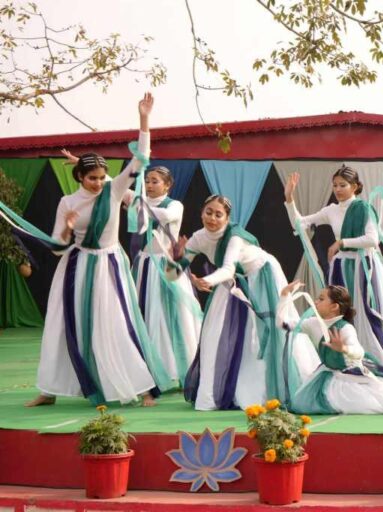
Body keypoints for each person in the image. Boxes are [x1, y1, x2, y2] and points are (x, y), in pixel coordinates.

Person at [20, 93, 172, 407]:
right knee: (64, 324)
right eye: (92, 178)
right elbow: (57, 247)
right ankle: (50, 390)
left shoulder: (113, 190)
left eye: (102, 177)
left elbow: (141, 160)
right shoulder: (68, 202)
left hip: (109, 266)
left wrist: (144, 119)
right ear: (79, 176)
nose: (99, 182)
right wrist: (66, 228)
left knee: (118, 322)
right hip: (75, 267)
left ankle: (144, 388)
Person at [171, 195, 316, 410]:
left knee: (268, 330)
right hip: (231, 280)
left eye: (218, 215)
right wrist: (175, 258)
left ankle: (275, 387)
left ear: (227, 218)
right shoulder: (198, 238)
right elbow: (171, 275)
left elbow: (228, 268)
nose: (212, 218)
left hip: (261, 275)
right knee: (214, 333)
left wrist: (207, 280)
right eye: (208, 212)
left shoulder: (235, 237)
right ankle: (219, 391)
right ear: (201, 213)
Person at [284, 166, 383, 374]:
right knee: (342, 314)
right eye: (335, 185)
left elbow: (372, 239)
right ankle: (342, 358)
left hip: (362, 267)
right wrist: (289, 199)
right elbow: (299, 225)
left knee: (365, 315)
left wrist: (341, 242)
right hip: (341, 267)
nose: (338, 189)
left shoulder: (363, 208)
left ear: (355, 187)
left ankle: (368, 359)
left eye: (343, 185)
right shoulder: (331, 210)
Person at [278, 281, 383, 415]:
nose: (316, 301)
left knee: (369, 403)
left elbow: (359, 352)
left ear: (334, 307)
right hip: (327, 374)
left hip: (349, 375)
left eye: (321, 299)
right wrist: (284, 295)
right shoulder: (312, 323)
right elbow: (282, 323)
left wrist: (343, 348)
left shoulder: (345, 328)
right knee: (300, 404)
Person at [124, 166, 202, 388]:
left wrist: (138, 204)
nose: (149, 185)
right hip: (144, 265)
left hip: (167, 265)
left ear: (167, 185)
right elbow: (115, 185)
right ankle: (152, 372)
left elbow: (165, 216)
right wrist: (85, 163)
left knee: (176, 316)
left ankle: (185, 371)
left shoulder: (174, 205)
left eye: (155, 181)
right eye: (147, 181)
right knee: (147, 313)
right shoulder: (141, 201)